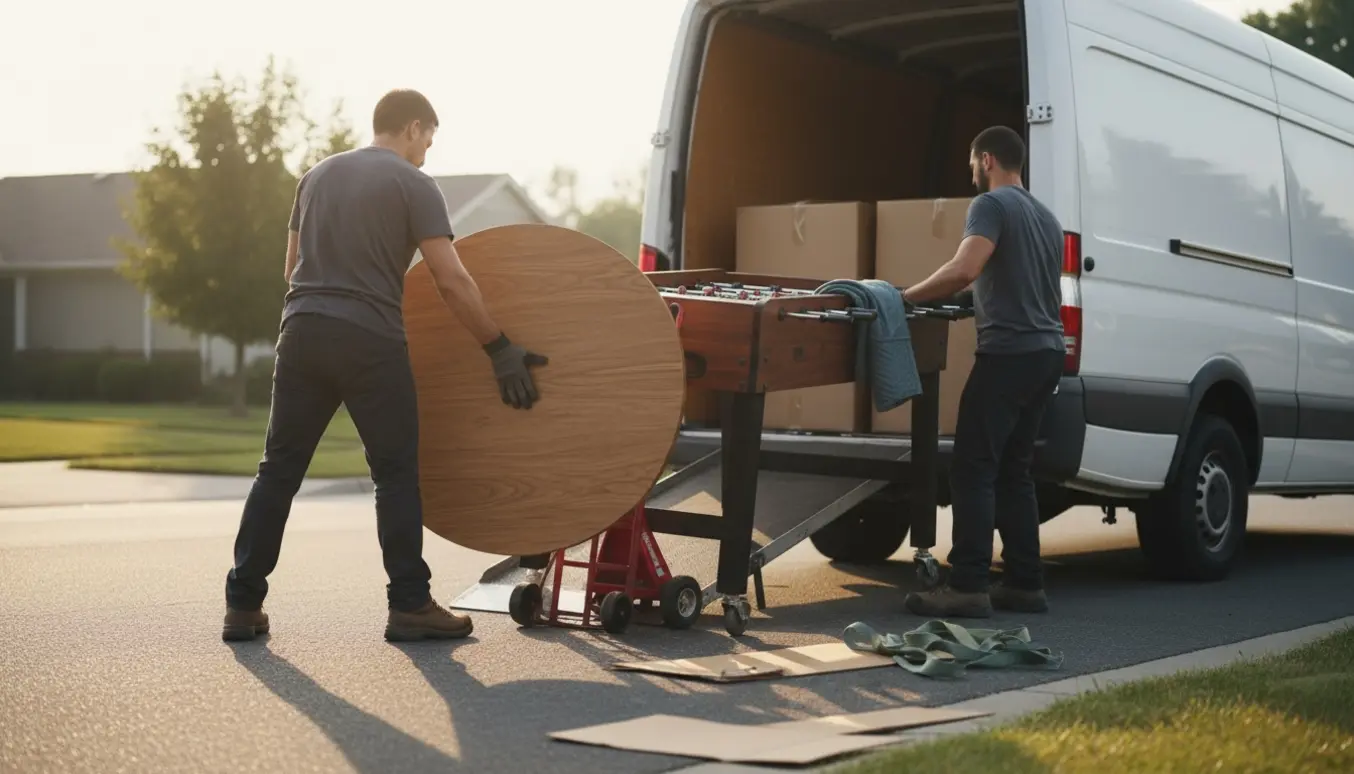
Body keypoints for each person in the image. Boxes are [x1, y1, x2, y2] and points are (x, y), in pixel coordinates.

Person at [222, 89, 548, 642]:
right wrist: (498, 346)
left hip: (301, 332)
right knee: (395, 474)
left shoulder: (316, 177)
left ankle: (242, 604)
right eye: (429, 140)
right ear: (414, 128)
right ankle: (411, 605)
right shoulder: (415, 185)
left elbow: (291, 267)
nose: (427, 153)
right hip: (369, 339)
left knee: (277, 471)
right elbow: (451, 278)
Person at [899, 126, 1065, 618]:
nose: (971, 171)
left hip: (1009, 355)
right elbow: (1016, 285)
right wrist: (972, 303)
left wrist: (902, 297)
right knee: (1015, 471)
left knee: (973, 467)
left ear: (987, 160)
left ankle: (969, 585)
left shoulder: (990, 206)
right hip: (1046, 353)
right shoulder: (1047, 217)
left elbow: (964, 269)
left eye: (973, 162)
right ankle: (1025, 583)